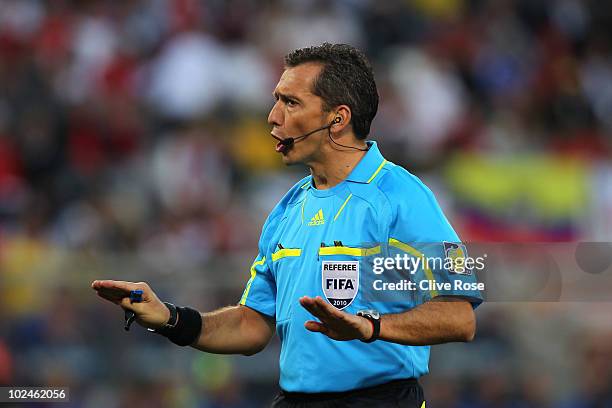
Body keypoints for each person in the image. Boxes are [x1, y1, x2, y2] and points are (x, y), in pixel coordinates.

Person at [92, 43, 483, 408]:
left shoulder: (401, 197)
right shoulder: (288, 207)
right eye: (276, 100)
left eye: (290, 102)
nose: (273, 117)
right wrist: (171, 319)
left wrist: (370, 326)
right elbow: (252, 325)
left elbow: (460, 318)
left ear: (338, 118)